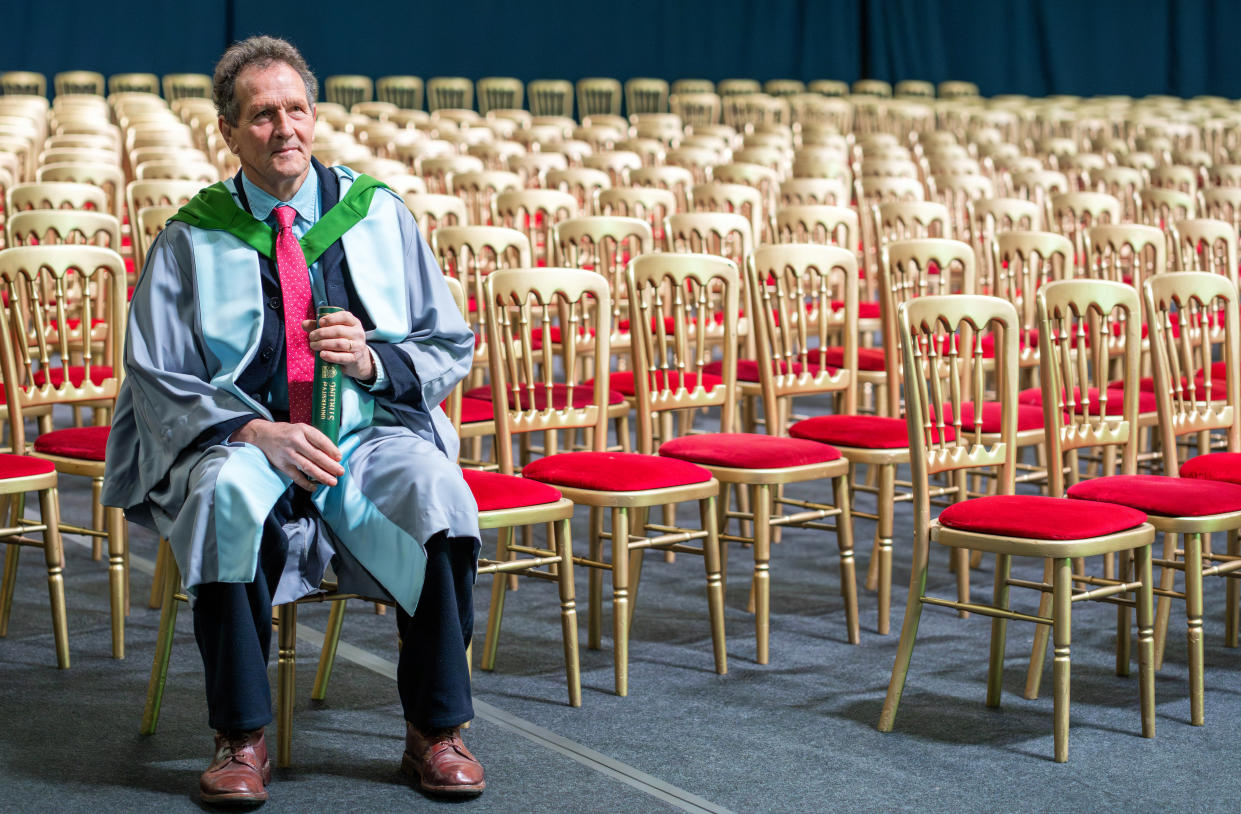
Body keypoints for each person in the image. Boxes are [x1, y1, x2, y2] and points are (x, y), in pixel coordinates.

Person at [103, 36, 485, 805]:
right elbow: (154, 373)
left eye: (296, 110)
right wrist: (255, 434)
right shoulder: (191, 235)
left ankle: (434, 733)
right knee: (224, 499)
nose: (284, 129)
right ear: (229, 131)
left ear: (315, 115)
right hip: (245, 438)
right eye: (261, 115)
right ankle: (240, 739)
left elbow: (448, 344)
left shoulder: (377, 215)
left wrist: (374, 360)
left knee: (440, 495)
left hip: (368, 433)